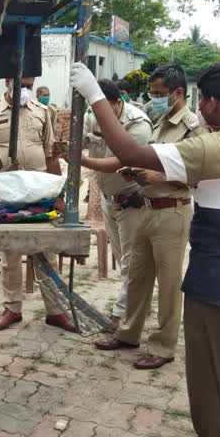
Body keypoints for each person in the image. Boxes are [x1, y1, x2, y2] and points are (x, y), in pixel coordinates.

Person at [71, 60, 220, 437]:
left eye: (203, 99)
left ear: (216, 104)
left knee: (210, 386)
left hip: (218, 285)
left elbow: (129, 153)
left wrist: (94, 95)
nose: (200, 105)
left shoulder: (212, 146)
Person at [93, 63, 206, 371]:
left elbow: (200, 176)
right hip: (146, 206)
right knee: (137, 276)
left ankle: (163, 345)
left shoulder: (193, 127)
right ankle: (128, 333)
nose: (154, 98)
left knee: (168, 283)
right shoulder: (160, 121)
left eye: (160, 94)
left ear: (178, 92)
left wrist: (158, 176)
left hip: (172, 209)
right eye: (152, 93)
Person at [0, 76, 76, 333]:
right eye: (23, 82)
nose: (26, 88)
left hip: (39, 191)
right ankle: (12, 308)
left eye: (30, 85)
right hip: (6, 192)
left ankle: (55, 311)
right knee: (10, 253)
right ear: (9, 79)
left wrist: (59, 193)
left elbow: (50, 154)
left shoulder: (43, 113)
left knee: (46, 252)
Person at [80, 79, 152, 330]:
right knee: (125, 261)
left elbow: (123, 162)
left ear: (118, 102)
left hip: (133, 200)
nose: (99, 115)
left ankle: (120, 318)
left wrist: (83, 162)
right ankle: (139, 304)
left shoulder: (138, 124)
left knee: (132, 262)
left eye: (103, 108)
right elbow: (87, 140)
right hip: (110, 200)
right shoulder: (93, 116)